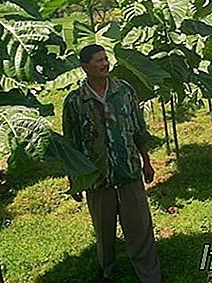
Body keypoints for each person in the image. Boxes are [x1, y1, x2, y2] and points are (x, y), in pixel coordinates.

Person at [62, 44, 162, 283]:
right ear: (85, 67)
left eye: (105, 59)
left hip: (128, 170)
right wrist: (74, 178)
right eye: (98, 61)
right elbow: (71, 144)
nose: (104, 64)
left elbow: (138, 128)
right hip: (97, 176)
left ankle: (149, 274)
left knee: (140, 226)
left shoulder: (124, 91)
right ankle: (107, 269)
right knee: (104, 229)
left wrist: (146, 161)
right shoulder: (75, 102)